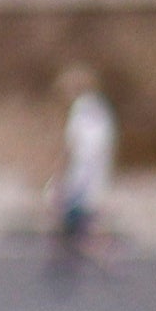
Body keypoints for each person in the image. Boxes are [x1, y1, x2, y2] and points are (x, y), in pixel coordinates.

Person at [49, 68, 116, 281]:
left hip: (80, 171)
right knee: (87, 211)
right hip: (96, 170)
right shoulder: (100, 109)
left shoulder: (81, 109)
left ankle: (73, 254)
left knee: (65, 208)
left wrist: (59, 168)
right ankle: (96, 248)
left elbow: (73, 145)